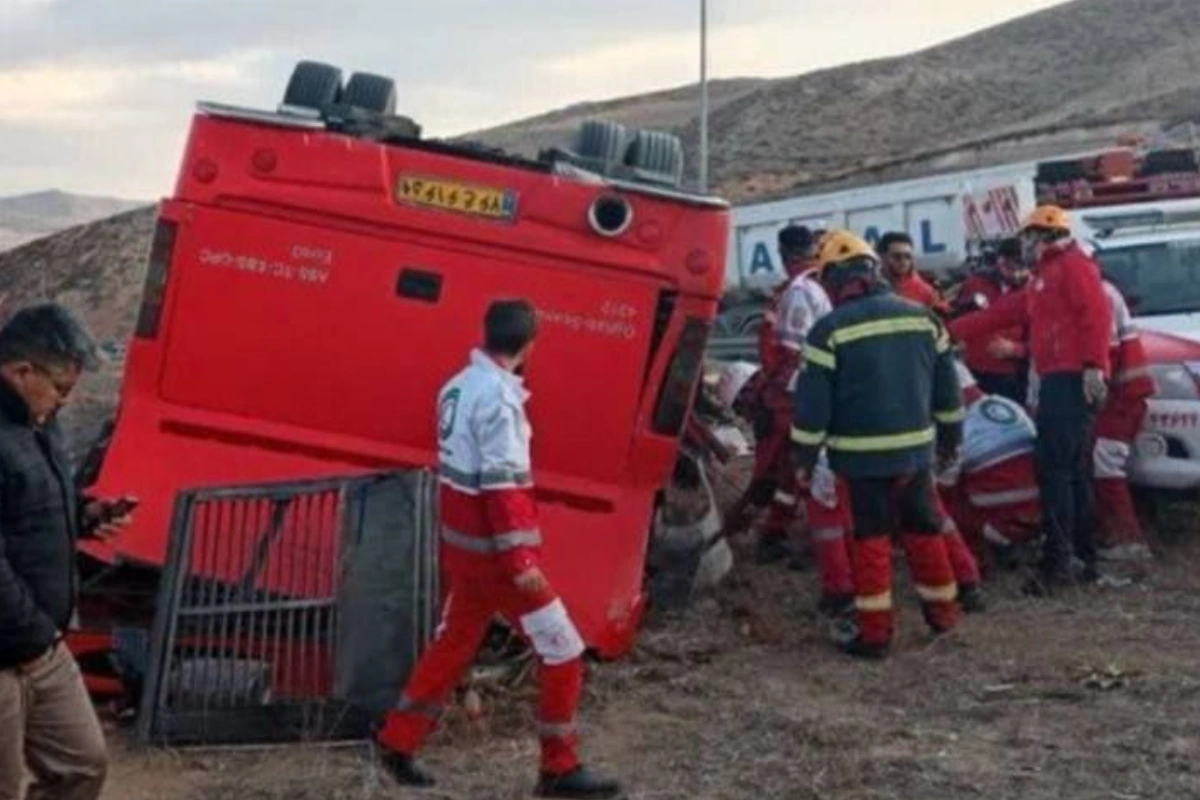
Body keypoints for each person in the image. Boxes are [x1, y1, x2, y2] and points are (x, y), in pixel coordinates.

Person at [375, 299, 620, 799]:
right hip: (496, 558)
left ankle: (396, 742)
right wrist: (521, 561)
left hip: (466, 551)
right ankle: (559, 767)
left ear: (488, 333)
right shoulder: (500, 401)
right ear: (531, 344)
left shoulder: (457, 387)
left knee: (454, 644)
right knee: (564, 651)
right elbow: (503, 487)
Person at [792, 231, 964, 659]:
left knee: (871, 540)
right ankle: (944, 615)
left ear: (835, 278)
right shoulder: (923, 318)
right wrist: (950, 440)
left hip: (861, 458)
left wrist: (804, 460)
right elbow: (949, 391)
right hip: (916, 455)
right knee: (925, 529)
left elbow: (813, 410)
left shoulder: (828, 331)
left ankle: (875, 634)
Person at [0, 303, 135, 800]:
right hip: (17, 646)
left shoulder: (40, 425)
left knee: (83, 765)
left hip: (41, 644)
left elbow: (31, 508)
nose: (64, 402)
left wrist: (87, 515)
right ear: (21, 372)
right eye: (59, 389)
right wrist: (34, 638)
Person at [950, 205, 1112, 593]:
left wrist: (1092, 366)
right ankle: (1077, 556)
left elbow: (1095, 314)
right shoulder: (1046, 275)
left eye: (1026, 237)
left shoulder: (1071, 267)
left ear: (1039, 236)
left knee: (1056, 471)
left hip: (1070, 379)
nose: (1022, 245)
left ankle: (1061, 564)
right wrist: (952, 329)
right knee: (1068, 471)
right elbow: (1005, 311)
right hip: (1062, 378)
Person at [746, 225, 832, 564]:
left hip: (793, 396)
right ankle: (782, 532)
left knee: (790, 468)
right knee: (796, 468)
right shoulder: (812, 287)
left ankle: (779, 532)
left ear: (783, 254)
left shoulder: (796, 290)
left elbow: (788, 353)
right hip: (800, 395)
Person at [937, 361, 1042, 572]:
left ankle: (974, 559)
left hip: (1002, 515)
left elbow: (944, 488)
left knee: (939, 498)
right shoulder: (1007, 404)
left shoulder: (956, 426)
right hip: (1041, 510)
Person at [1093, 279, 1156, 562]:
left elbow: (1105, 352)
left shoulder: (1097, 294)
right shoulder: (1103, 290)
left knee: (1105, 461)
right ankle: (1120, 534)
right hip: (1124, 392)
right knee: (1107, 462)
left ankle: (1128, 540)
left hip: (1120, 396)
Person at [951, 238, 1030, 404]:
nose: (1016, 274)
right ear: (999, 261)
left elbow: (1043, 340)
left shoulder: (1033, 291)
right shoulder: (975, 284)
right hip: (975, 373)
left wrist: (1016, 350)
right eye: (1010, 267)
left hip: (1014, 375)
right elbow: (957, 318)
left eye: (1022, 268)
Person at [878, 231, 950, 314]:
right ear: (882, 257)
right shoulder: (870, 289)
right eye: (897, 257)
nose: (903, 262)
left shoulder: (926, 292)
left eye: (908, 257)